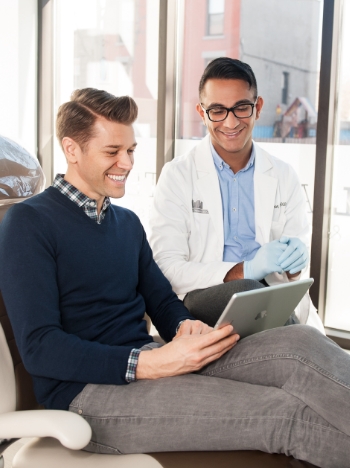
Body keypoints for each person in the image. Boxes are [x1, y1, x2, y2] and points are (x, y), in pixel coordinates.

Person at [0, 88, 349, 468]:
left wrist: (186, 328)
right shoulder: (29, 223)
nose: (127, 163)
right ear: (72, 149)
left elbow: (163, 303)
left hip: (148, 359)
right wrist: (148, 365)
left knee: (301, 344)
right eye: (112, 152)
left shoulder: (126, 224)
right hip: (86, 396)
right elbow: (40, 347)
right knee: (285, 413)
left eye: (131, 150)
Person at [149, 57, 323, 331]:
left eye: (241, 107)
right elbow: (166, 269)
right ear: (201, 112)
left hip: (269, 296)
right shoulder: (177, 176)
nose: (230, 123)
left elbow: (294, 274)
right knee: (253, 293)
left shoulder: (283, 175)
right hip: (204, 296)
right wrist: (246, 269)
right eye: (217, 110)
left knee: (281, 327)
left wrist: (294, 265)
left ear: (258, 108)